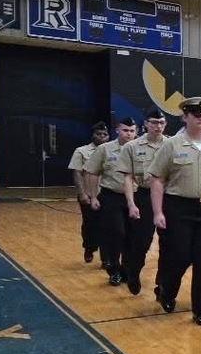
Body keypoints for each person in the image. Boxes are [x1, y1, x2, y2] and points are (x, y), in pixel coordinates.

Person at [147, 96, 201, 326]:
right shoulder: (171, 145)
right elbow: (157, 180)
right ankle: (167, 292)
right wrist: (157, 212)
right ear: (185, 117)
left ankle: (200, 308)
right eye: (196, 115)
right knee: (178, 257)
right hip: (178, 208)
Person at [118, 107, 168, 296]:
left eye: (162, 122)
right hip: (144, 196)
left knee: (169, 243)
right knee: (141, 242)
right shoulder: (132, 147)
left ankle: (162, 284)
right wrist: (131, 203)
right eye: (154, 122)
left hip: (168, 197)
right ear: (145, 124)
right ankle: (134, 272)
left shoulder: (172, 145)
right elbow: (128, 178)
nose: (158, 126)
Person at [84, 117, 138, 286]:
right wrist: (93, 196)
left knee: (133, 237)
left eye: (131, 131)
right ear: (117, 130)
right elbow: (92, 172)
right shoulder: (105, 149)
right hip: (111, 196)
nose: (128, 134)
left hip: (137, 198)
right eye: (125, 130)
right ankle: (114, 269)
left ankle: (127, 269)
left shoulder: (141, 150)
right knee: (116, 233)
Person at [68, 121, 110, 265]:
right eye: (99, 134)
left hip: (107, 194)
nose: (102, 137)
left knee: (108, 227)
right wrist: (82, 194)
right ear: (93, 135)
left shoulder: (112, 151)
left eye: (105, 134)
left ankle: (107, 259)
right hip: (89, 194)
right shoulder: (82, 151)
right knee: (90, 225)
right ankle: (89, 248)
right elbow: (77, 173)